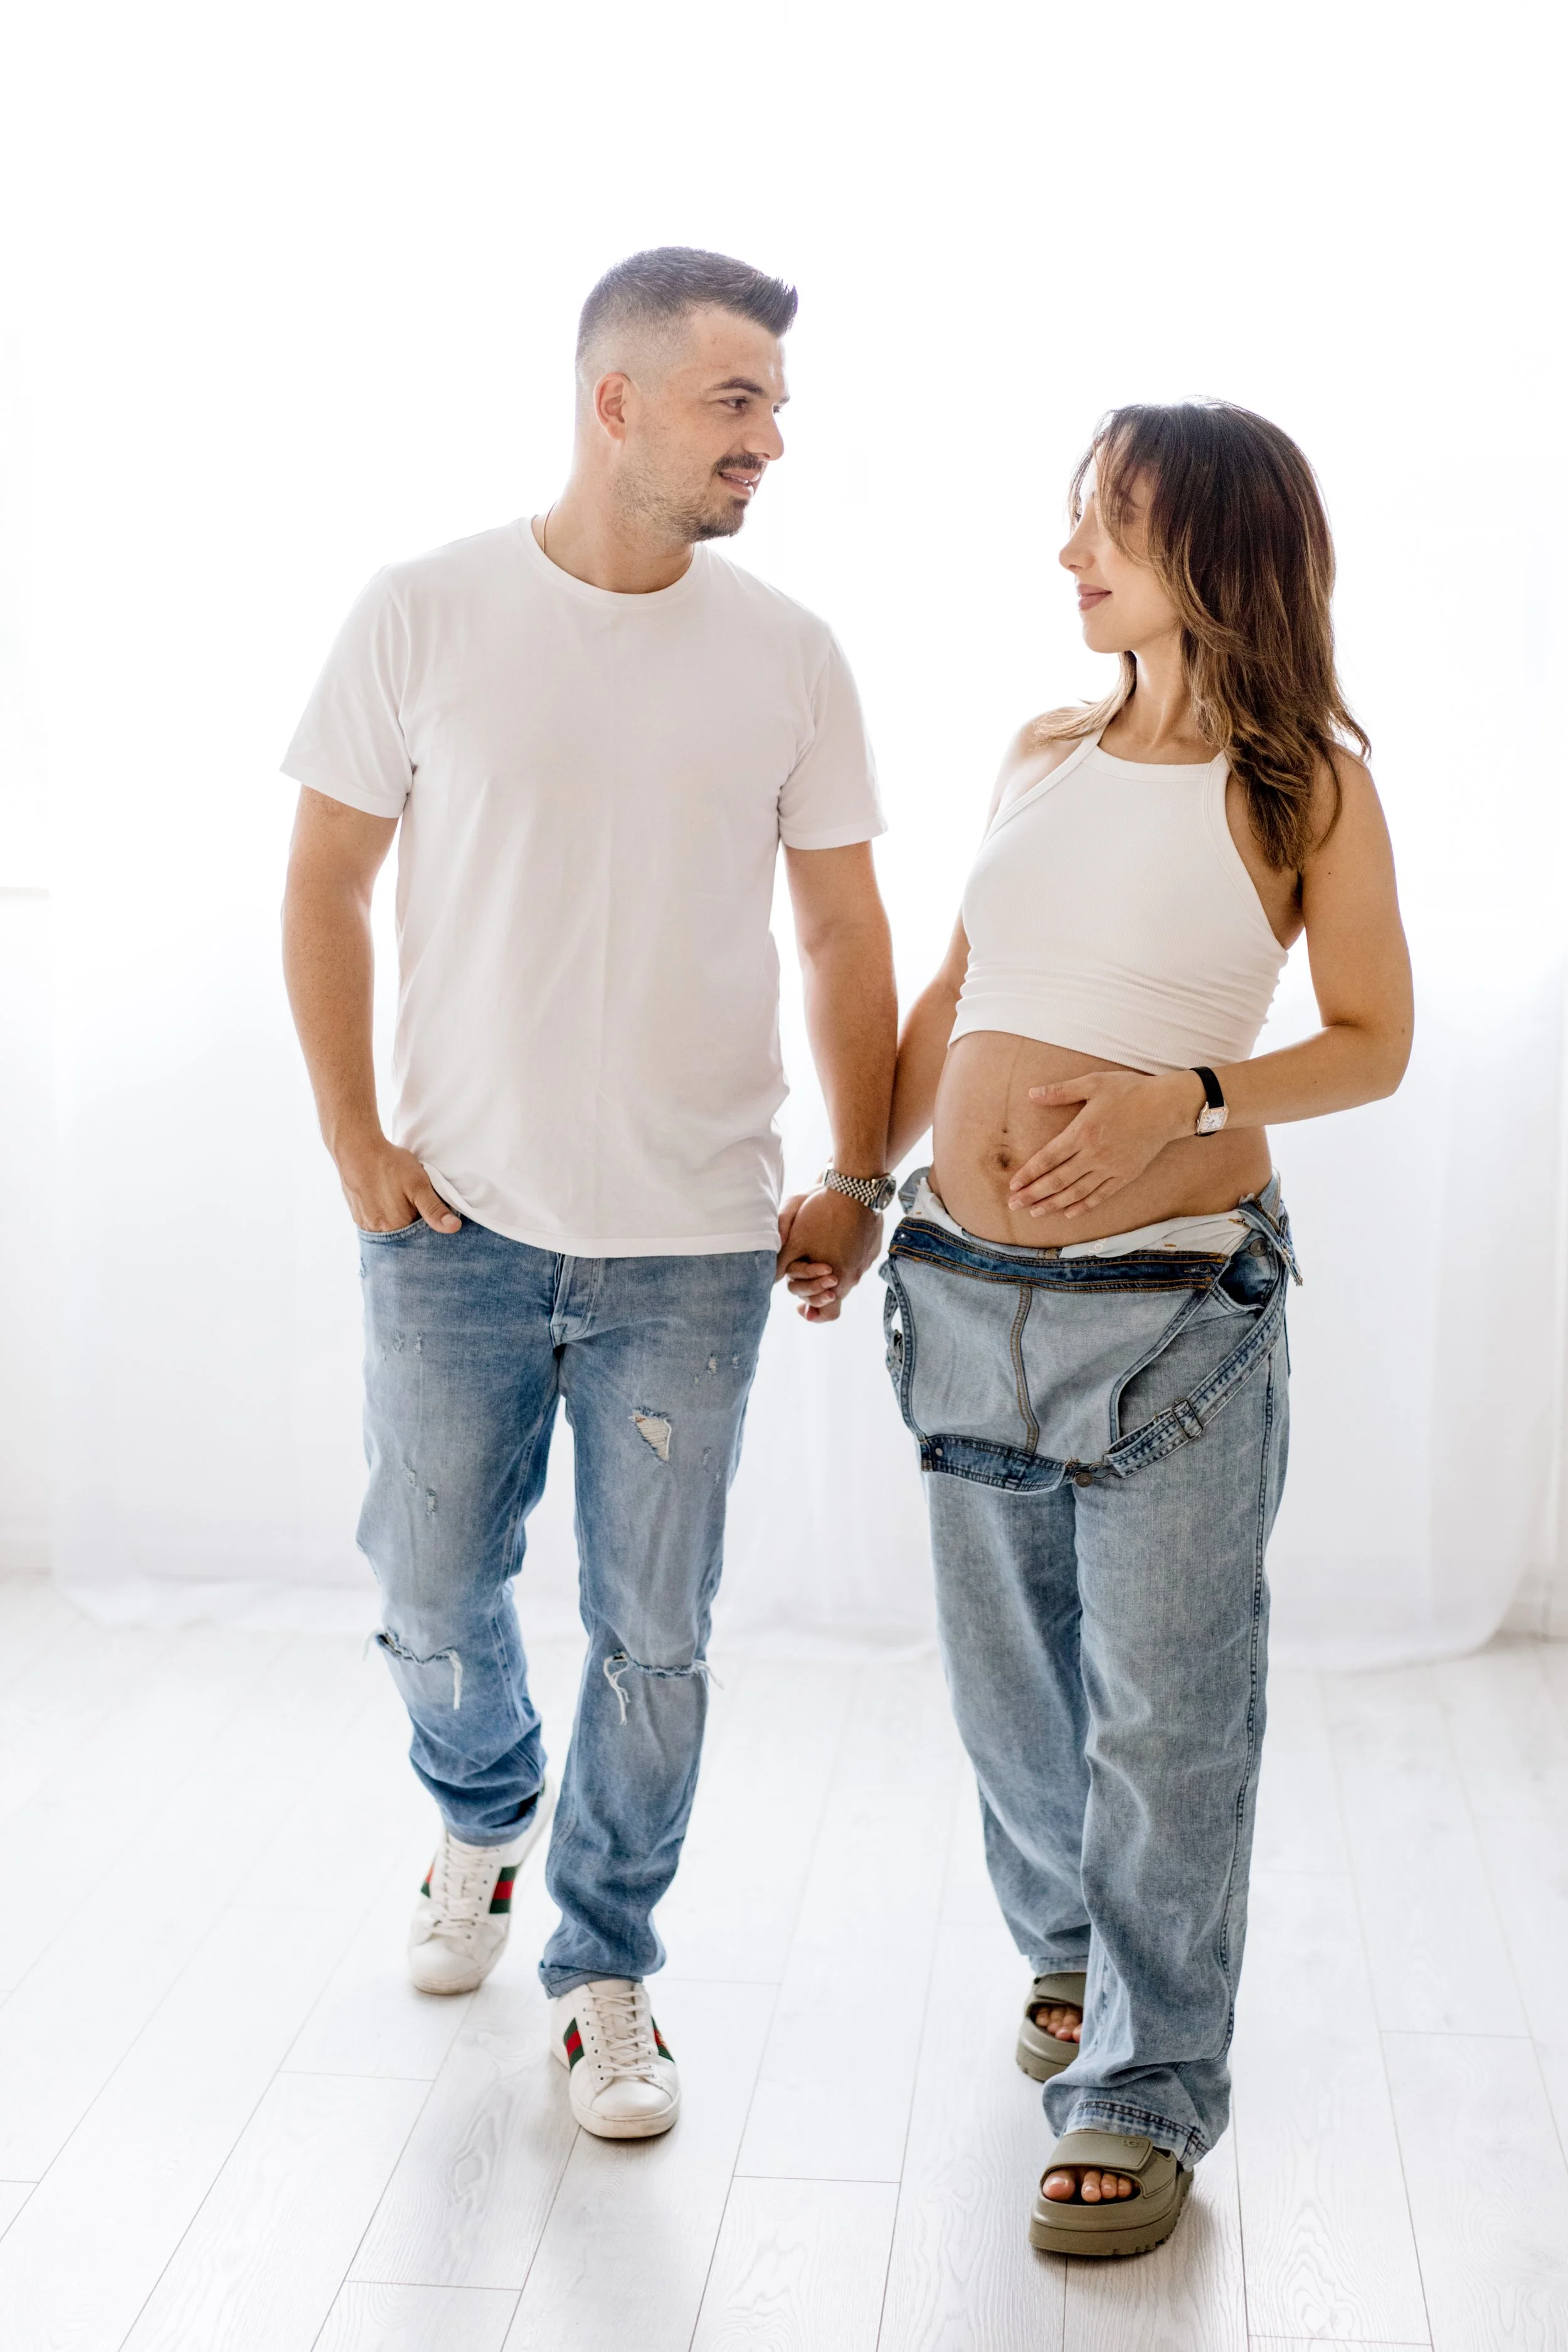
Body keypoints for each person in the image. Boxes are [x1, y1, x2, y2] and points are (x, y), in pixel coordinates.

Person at [280, 247, 898, 2143]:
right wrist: (360, 1146)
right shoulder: (424, 610)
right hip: (453, 1226)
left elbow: (841, 926)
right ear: (612, 401)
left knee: (657, 1628)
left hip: (693, 1243)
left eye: (775, 406)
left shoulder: (786, 649)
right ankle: (481, 1813)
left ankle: (603, 1961)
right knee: (429, 1582)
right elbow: (322, 888)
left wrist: (862, 1171)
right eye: (736, 402)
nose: (770, 439)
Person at [883, 401, 1412, 2255]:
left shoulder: (1303, 784)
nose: (1067, 557)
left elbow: (1369, 1037)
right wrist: (845, 1173)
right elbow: (957, 989)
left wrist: (1181, 1091)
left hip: (1169, 1315)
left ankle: (1139, 2084)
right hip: (956, 1290)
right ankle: (1067, 1956)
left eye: (1102, 522)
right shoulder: (1038, 748)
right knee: (1011, 1696)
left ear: (1212, 542)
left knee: (1163, 1718)